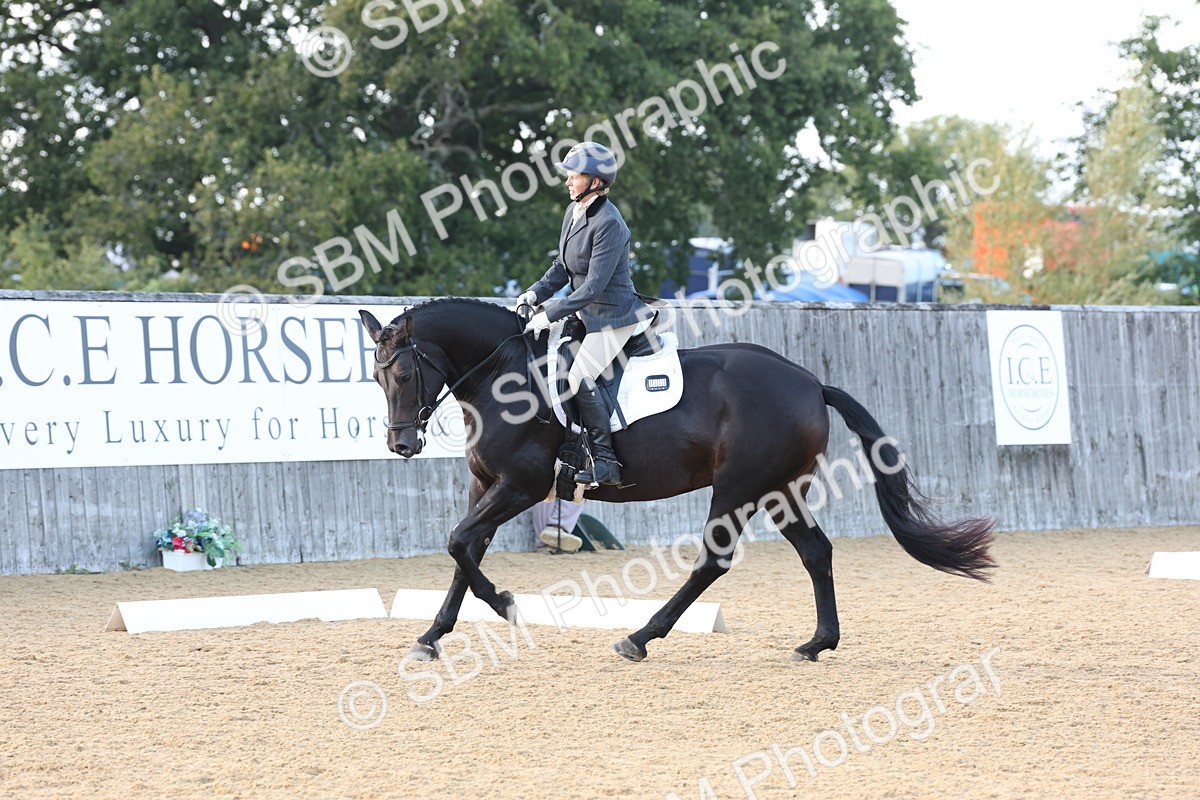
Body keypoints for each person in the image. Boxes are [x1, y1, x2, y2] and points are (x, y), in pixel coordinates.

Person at [519, 141, 652, 486]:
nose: (567, 181)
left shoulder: (610, 223)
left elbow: (592, 286)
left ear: (594, 181)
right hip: (586, 315)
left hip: (613, 317)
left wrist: (548, 313)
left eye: (574, 176)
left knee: (579, 378)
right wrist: (535, 292)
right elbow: (562, 268)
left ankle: (606, 462)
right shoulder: (574, 212)